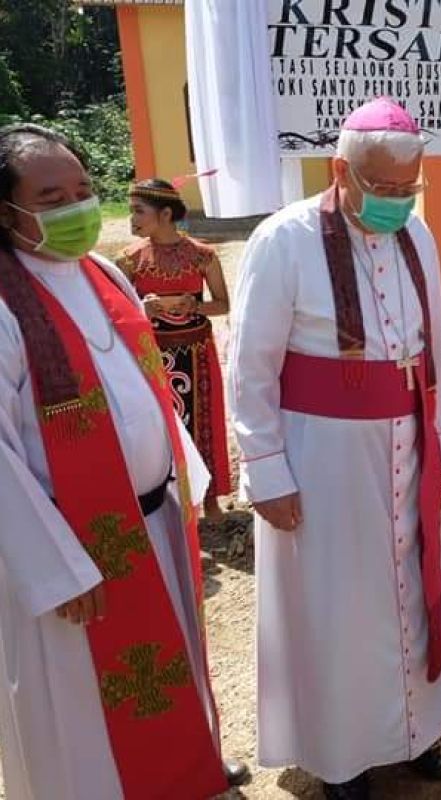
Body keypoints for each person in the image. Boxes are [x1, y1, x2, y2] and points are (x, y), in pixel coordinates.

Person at [0, 123, 245, 798]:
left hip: (154, 523)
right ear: (6, 211)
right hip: (74, 558)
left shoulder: (103, 273)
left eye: (83, 190)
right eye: (51, 197)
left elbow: (148, 388)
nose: (76, 207)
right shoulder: (4, 302)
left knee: (174, 675)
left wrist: (184, 477)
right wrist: (58, 569)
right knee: (85, 724)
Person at [228, 98, 441, 800]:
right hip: (320, 457)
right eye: (381, 188)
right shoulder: (283, 239)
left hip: (407, 446)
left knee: (414, 594)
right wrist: (265, 470)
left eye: (406, 188)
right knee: (338, 608)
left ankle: (413, 732)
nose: (394, 202)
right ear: (339, 170)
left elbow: (436, 352)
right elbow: (250, 365)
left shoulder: (419, 238)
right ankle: (343, 757)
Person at [117, 179, 231, 520]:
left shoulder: (203, 255)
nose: (132, 219)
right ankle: (170, 500)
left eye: (139, 211)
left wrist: (193, 306)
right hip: (151, 354)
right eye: (130, 210)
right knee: (160, 424)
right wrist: (141, 308)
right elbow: (116, 313)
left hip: (196, 350)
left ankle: (209, 498)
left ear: (165, 213)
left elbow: (223, 304)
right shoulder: (129, 260)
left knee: (204, 421)